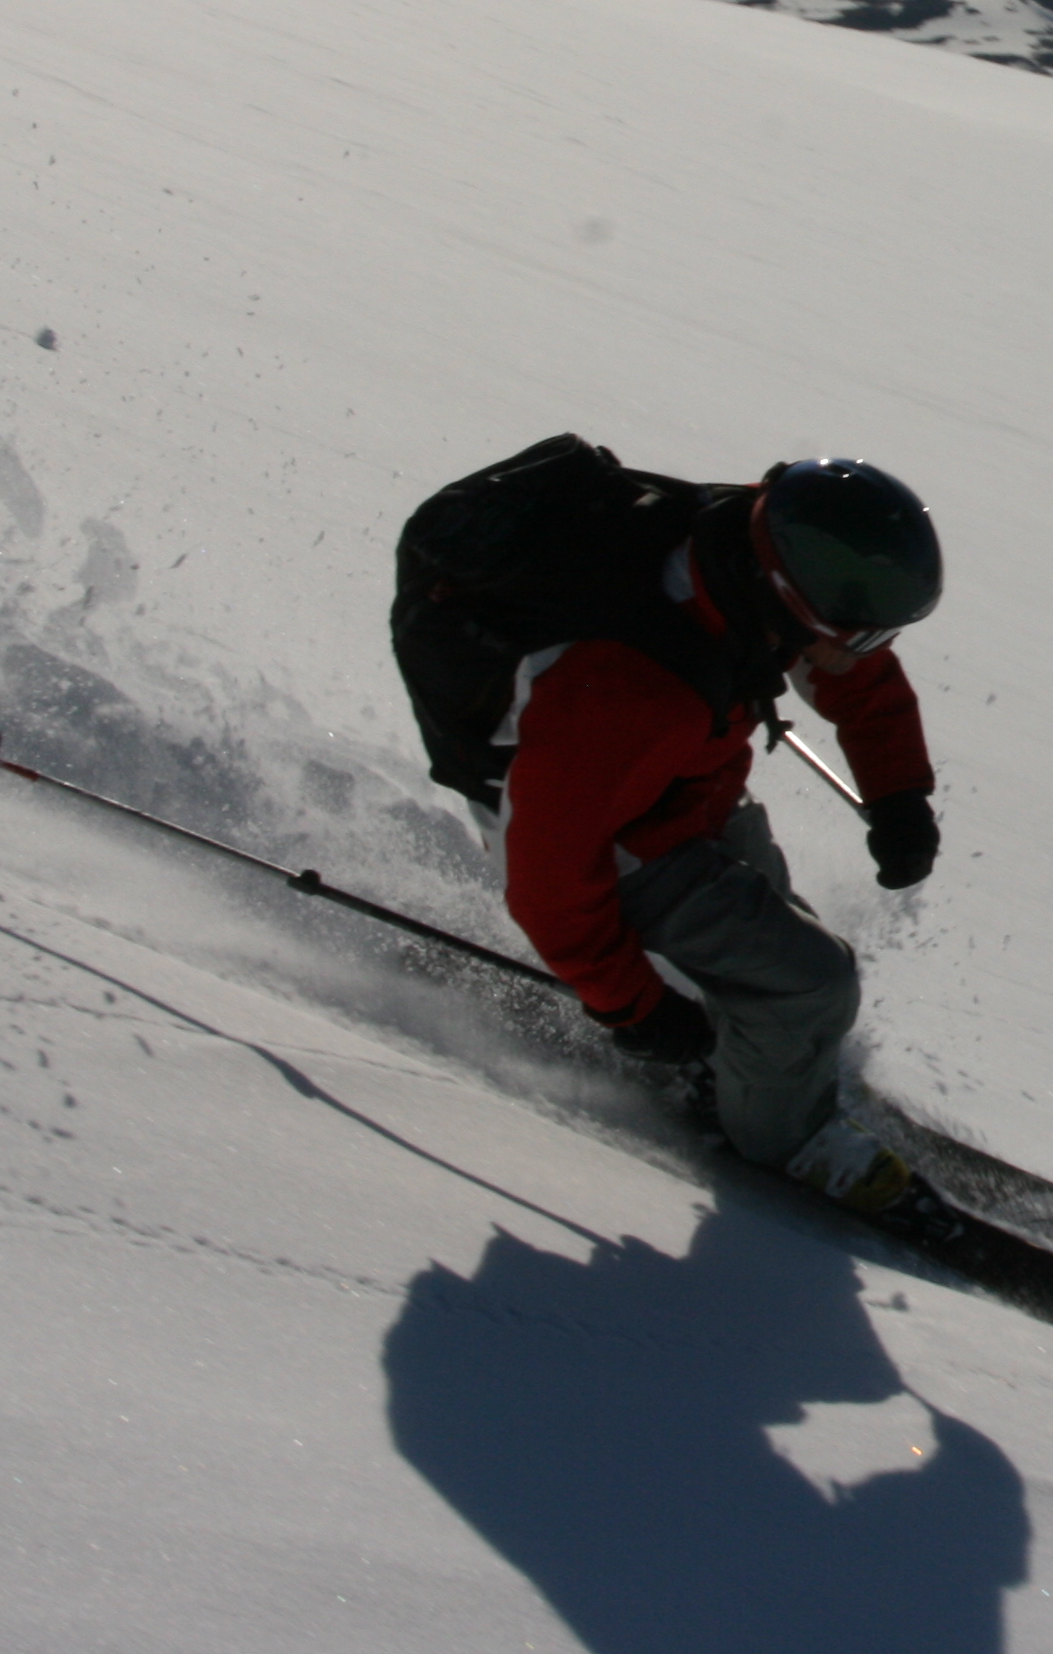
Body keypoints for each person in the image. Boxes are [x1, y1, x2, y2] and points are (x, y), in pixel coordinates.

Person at [393, 442, 947, 1208]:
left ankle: (758, 1062)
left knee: (777, 919)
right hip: (606, 837)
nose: (872, 653)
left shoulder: (737, 546)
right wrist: (636, 1010)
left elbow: (848, 666)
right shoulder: (629, 692)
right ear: (790, 600)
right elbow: (548, 879)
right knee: (812, 981)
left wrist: (898, 794)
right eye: (865, 635)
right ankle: (787, 1140)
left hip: (673, 794)